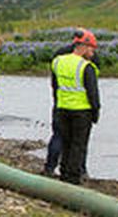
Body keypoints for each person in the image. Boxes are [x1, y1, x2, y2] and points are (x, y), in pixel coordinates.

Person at [51, 29, 101, 185]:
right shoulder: (87, 67)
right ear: (84, 47)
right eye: (92, 48)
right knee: (78, 145)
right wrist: (96, 112)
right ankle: (73, 178)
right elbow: (93, 93)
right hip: (81, 112)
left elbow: (54, 85)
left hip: (61, 109)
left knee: (66, 143)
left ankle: (63, 173)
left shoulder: (58, 62)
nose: (93, 52)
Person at [42, 33, 78, 176]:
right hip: (79, 106)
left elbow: (54, 82)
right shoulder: (84, 59)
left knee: (58, 136)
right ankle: (75, 170)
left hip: (60, 102)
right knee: (77, 141)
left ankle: (50, 167)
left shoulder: (58, 55)